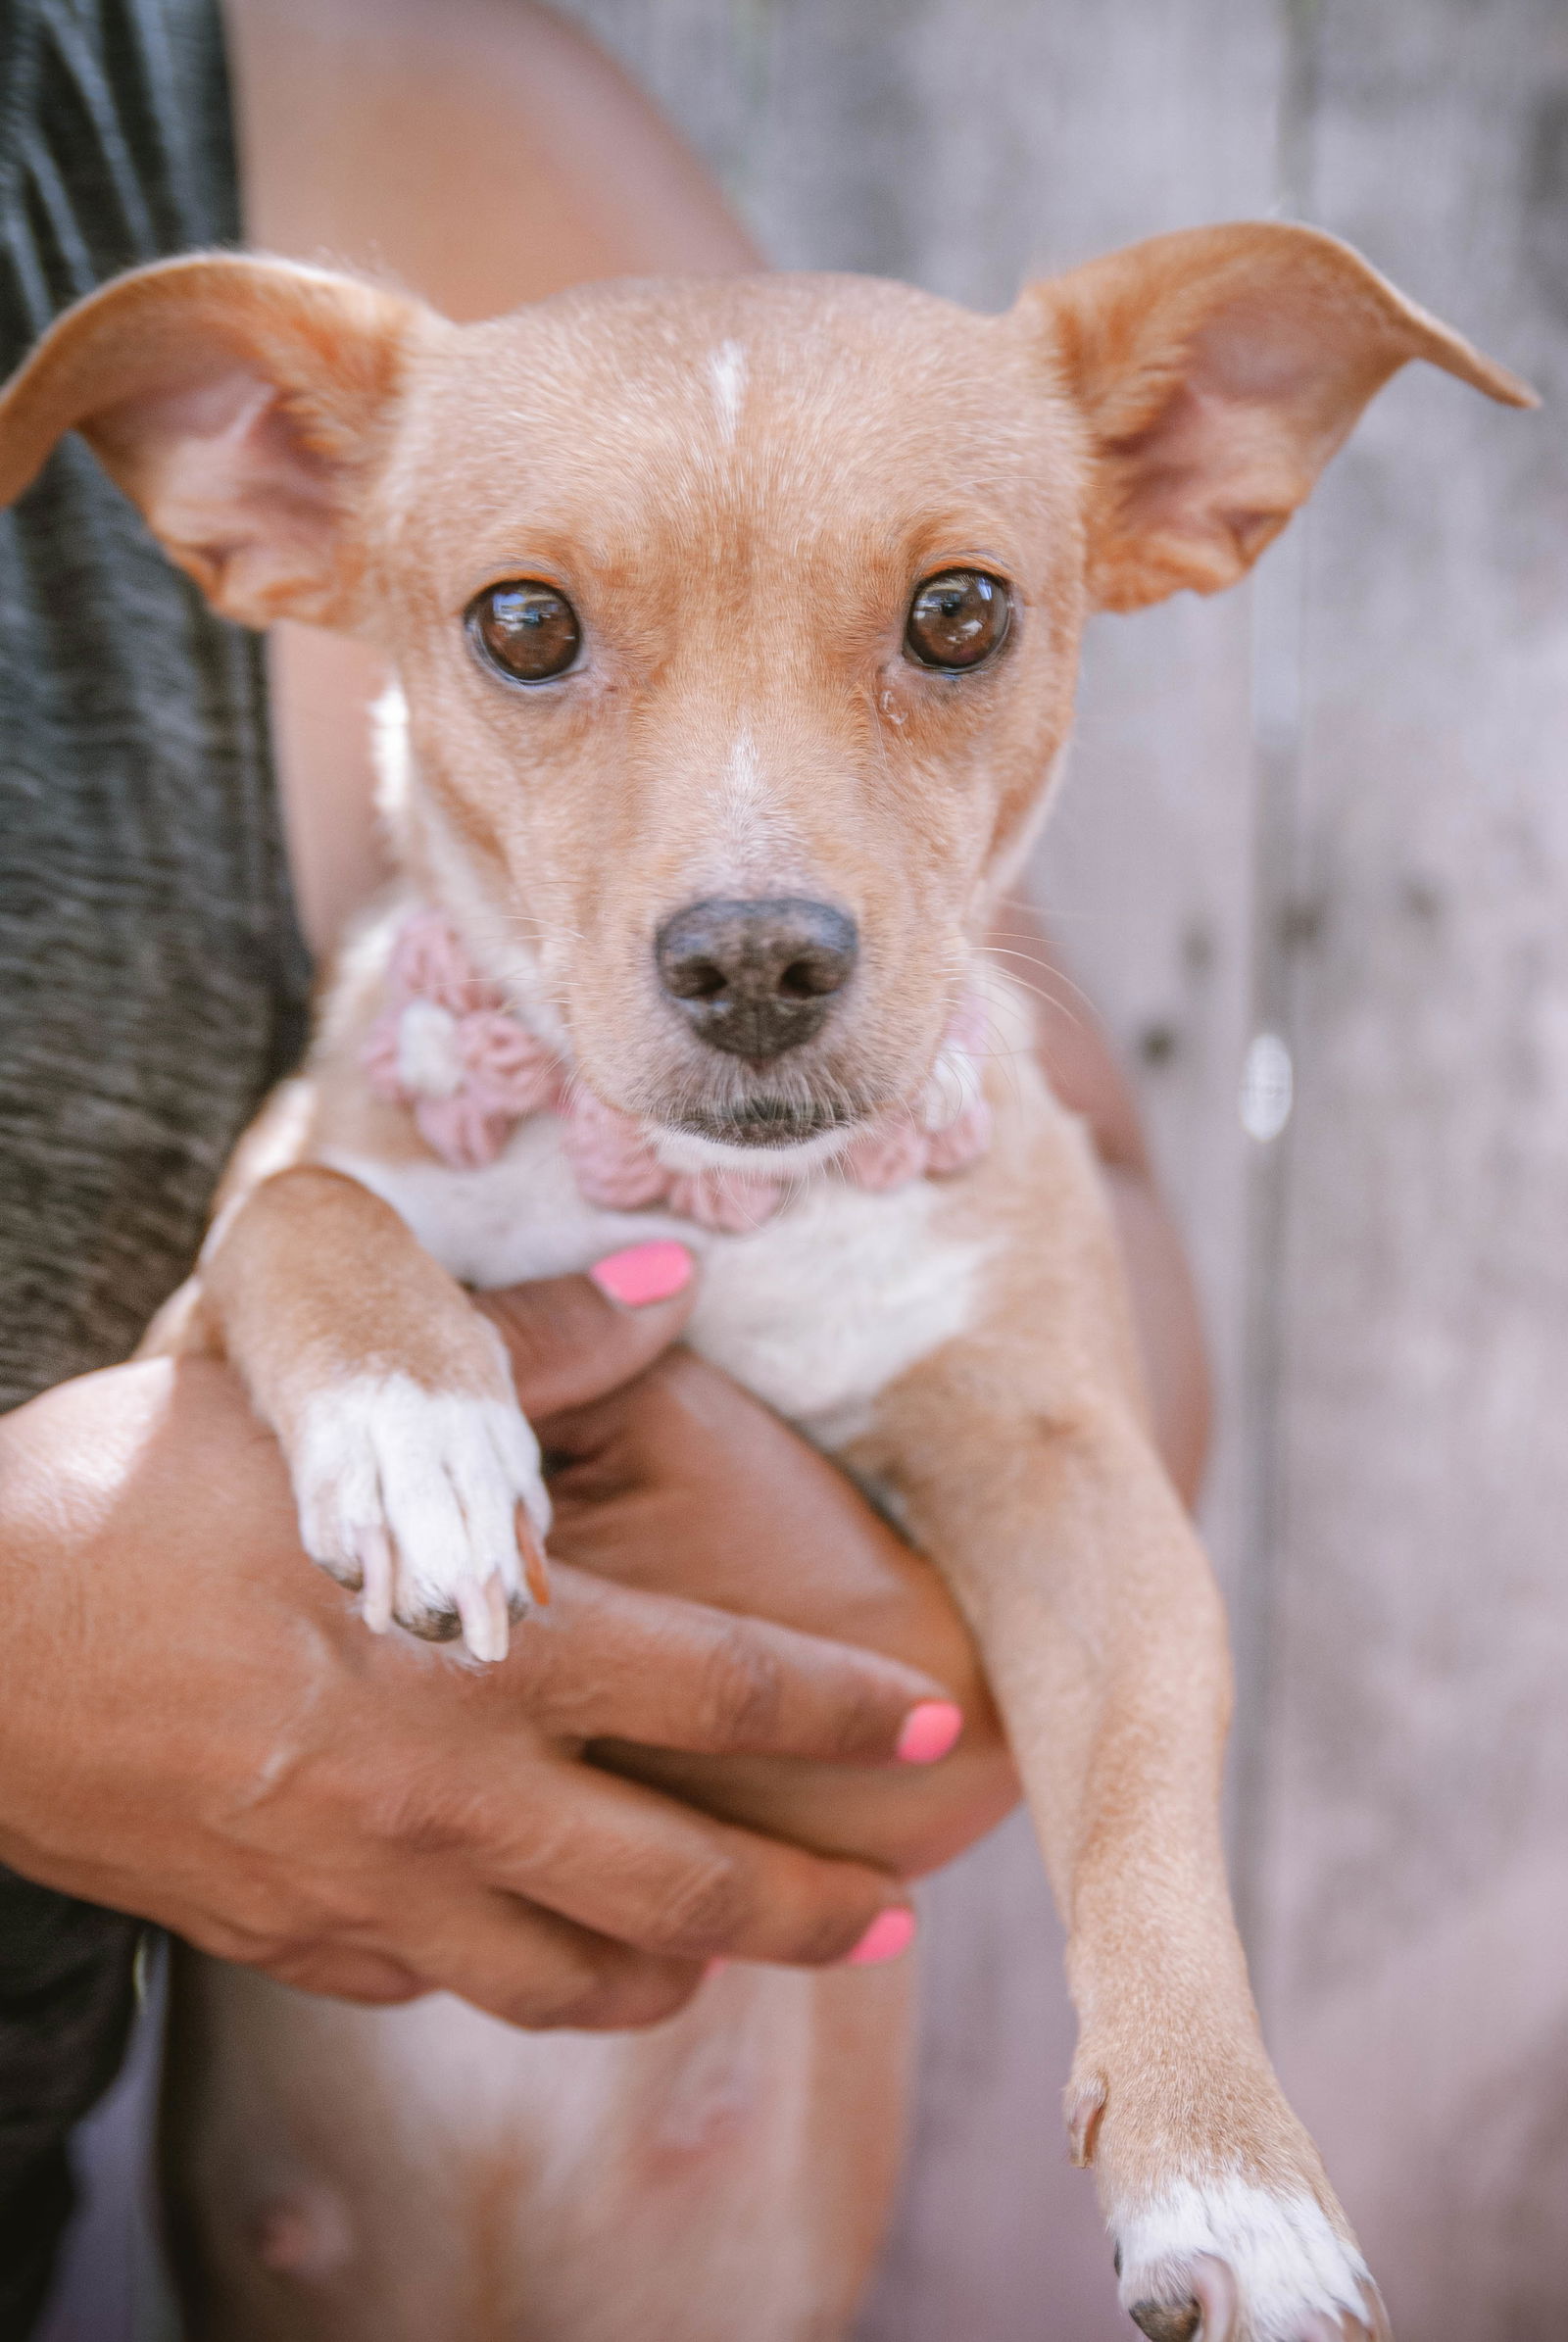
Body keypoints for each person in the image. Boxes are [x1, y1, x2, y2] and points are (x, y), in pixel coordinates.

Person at [0, 2, 1208, 2332]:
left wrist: (919, 1651)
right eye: (539, 632)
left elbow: (1091, 1244)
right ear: (253, 490)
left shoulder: (331, 107)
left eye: (943, 626)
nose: (748, 908)